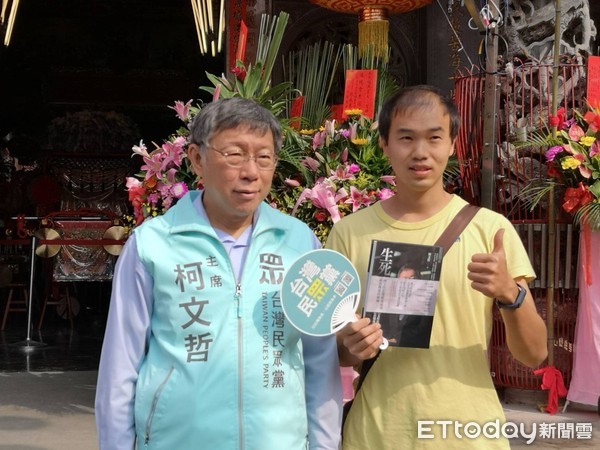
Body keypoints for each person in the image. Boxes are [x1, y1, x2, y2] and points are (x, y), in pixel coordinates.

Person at [95, 98, 342, 449]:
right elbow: (120, 368)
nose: (251, 172)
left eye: (264, 157)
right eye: (235, 154)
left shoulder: (299, 242)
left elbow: (320, 360)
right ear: (197, 159)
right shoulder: (152, 245)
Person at [327, 85, 548, 449]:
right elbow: (334, 350)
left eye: (434, 138)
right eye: (406, 138)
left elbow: (534, 353)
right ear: (383, 143)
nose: (420, 152)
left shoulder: (490, 230)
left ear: (452, 144)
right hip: (377, 435)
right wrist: (350, 345)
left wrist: (510, 294)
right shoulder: (349, 233)